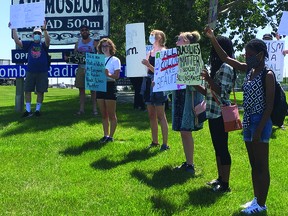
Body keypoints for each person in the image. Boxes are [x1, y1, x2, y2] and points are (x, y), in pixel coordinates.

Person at [205, 27, 274, 214]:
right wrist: (212, 39)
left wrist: (259, 129)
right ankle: (256, 199)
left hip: (260, 122)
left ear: (260, 55)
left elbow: (269, 106)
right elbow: (227, 58)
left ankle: (262, 204)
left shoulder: (267, 74)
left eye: (249, 54)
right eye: (245, 54)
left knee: (262, 165)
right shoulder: (249, 70)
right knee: (253, 165)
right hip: (249, 120)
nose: (246, 57)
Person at [196, 35, 235, 192]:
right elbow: (209, 92)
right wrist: (195, 84)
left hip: (221, 114)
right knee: (217, 147)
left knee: (222, 147)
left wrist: (208, 79)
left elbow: (222, 91)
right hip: (212, 113)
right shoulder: (217, 67)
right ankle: (220, 178)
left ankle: (225, 184)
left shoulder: (227, 67)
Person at [173, 31, 204, 175]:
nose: (176, 43)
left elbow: (198, 81)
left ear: (187, 42)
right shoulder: (176, 58)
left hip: (188, 98)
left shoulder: (195, 58)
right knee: (183, 131)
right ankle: (187, 162)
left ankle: (190, 165)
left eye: (179, 40)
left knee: (186, 130)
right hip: (179, 96)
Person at [9, 21, 50, 117]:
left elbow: (48, 41)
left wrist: (45, 29)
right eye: (35, 33)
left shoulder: (43, 45)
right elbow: (17, 42)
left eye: (38, 33)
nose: (37, 35)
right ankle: (27, 110)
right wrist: (13, 29)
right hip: (30, 71)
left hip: (42, 72)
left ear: (41, 35)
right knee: (27, 90)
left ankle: (37, 110)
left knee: (40, 91)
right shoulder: (29, 44)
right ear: (32, 35)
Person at [141, 30, 169, 151]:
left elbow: (162, 72)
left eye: (154, 35)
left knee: (161, 115)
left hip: (159, 85)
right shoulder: (149, 52)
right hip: (148, 83)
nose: (152, 37)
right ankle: (155, 141)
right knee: (151, 115)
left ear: (161, 38)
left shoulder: (164, 52)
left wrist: (148, 65)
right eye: (151, 35)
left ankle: (165, 143)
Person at [96, 38, 121, 143]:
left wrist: (108, 74)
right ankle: (105, 135)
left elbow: (117, 76)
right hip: (100, 86)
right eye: (103, 46)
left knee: (111, 114)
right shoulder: (98, 59)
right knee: (103, 114)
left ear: (111, 47)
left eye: (106, 46)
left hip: (110, 86)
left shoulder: (115, 60)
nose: (105, 48)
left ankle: (111, 136)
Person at [74, 25, 98, 116]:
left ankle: (95, 109)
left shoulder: (94, 43)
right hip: (81, 68)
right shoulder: (77, 43)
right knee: (81, 89)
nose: (84, 31)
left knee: (93, 90)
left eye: (86, 30)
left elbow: (99, 55)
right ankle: (81, 109)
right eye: (82, 30)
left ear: (89, 32)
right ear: (80, 32)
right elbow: (74, 56)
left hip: (92, 68)